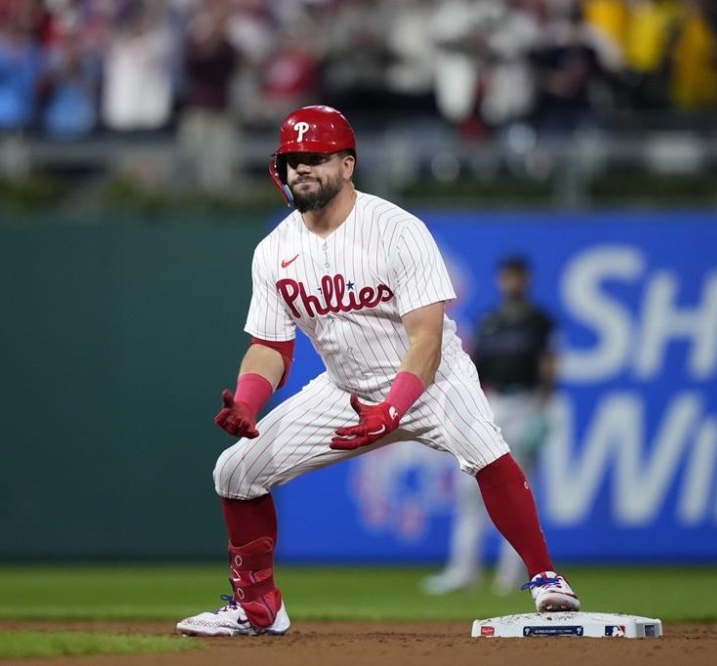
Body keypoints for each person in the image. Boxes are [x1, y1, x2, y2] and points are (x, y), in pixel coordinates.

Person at [175, 105, 579, 638]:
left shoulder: (395, 229)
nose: (301, 169)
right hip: (345, 391)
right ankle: (258, 607)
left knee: (487, 452)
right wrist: (249, 399)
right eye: (293, 159)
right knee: (234, 473)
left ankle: (547, 578)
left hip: (431, 382)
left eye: (315, 158)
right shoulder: (273, 250)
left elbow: (428, 338)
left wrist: (393, 409)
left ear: (347, 165)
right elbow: (270, 345)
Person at [422, 256, 558, 596]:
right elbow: (475, 369)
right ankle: (462, 570)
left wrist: (544, 411)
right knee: (471, 488)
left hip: (526, 403)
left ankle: (512, 575)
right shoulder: (490, 321)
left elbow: (549, 368)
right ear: (500, 280)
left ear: (526, 279)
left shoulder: (538, 322)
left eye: (517, 276)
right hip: (492, 403)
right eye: (507, 276)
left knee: (516, 487)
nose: (511, 282)